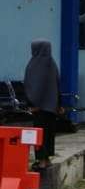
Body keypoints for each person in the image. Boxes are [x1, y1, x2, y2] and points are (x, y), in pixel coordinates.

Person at [23, 40, 60, 169]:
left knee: (39, 134)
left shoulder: (34, 64)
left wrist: (32, 103)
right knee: (49, 133)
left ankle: (42, 160)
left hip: (38, 107)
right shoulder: (52, 64)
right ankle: (47, 159)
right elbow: (57, 85)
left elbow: (30, 86)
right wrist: (59, 104)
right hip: (51, 107)